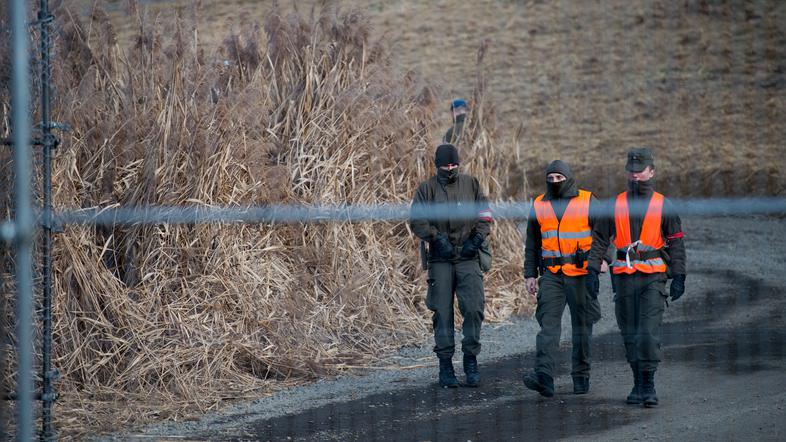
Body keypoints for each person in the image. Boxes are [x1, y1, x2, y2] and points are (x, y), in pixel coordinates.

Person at [585, 147, 687, 407]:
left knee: (648, 333)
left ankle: (648, 384)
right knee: (629, 332)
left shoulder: (664, 205)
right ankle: (637, 383)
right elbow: (599, 240)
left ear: (651, 172)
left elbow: (676, 243)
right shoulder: (614, 204)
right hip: (623, 277)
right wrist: (592, 270)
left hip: (653, 277)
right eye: (631, 170)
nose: (635, 175)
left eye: (640, 170)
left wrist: (679, 276)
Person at [410, 143, 493, 388]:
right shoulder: (426, 189)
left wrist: (477, 239)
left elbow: (485, 215)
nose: (450, 168)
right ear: (437, 165)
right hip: (440, 259)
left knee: (474, 308)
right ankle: (445, 366)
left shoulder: (471, 184)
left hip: (468, 256)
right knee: (442, 312)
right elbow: (417, 220)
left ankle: (471, 360)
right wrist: (436, 238)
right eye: (445, 165)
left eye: (454, 164)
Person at [521, 160, 606, 397]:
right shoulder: (539, 204)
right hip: (552, 275)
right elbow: (532, 243)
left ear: (568, 178)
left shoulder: (587, 200)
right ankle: (544, 377)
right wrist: (530, 274)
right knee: (548, 326)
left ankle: (581, 376)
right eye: (551, 178)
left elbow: (604, 233)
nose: (555, 182)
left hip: (581, 274)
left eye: (559, 178)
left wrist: (603, 259)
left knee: (582, 327)